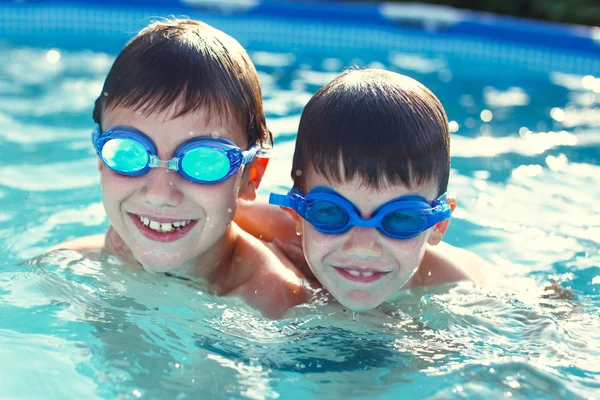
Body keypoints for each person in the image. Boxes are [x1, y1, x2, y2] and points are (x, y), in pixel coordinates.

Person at [52, 19, 310, 319]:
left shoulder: (278, 307)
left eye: (204, 162)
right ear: (101, 159)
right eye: (128, 153)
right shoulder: (64, 268)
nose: (160, 194)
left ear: (251, 176)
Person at [235, 68, 491, 312]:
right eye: (331, 213)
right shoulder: (273, 234)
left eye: (401, 218)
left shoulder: (467, 295)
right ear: (296, 213)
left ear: (439, 226)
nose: (363, 246)